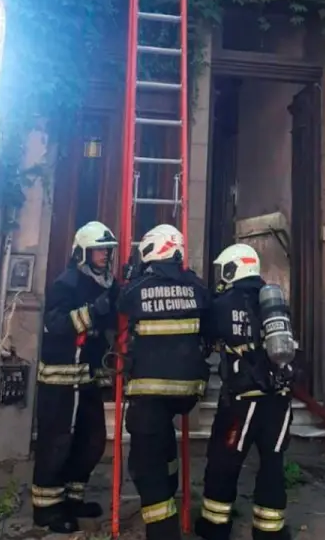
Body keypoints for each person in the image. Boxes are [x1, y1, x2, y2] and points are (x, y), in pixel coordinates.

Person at [118, 223, 211, 540]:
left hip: (149, 391)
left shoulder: (138, 287)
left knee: (145, 463)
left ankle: (163, 530)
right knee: (163, 440)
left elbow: (121, 303)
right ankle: (171, 488)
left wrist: (132, 276)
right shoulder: (196, 286)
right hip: (187, 393)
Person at [195, 243, 293, 540]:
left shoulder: (223, 303)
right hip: (279, 397)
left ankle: (214, 527)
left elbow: (205, 336)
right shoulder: (274, 301)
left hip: (242, 400)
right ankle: (270, 532)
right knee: (272, 464)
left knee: (224, 461)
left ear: (232, 269)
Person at [32, 221, 119, 533]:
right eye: (98, 250)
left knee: (91, 441)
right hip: (61, 379)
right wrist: (93, 312)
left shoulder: (104, 283)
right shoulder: (66, 283)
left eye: (107, 250)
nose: (105, 255)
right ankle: (46, 509)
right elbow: (55, 324)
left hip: (88, 378)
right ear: (83, 252)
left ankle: (72, 498)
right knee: (57, 443)